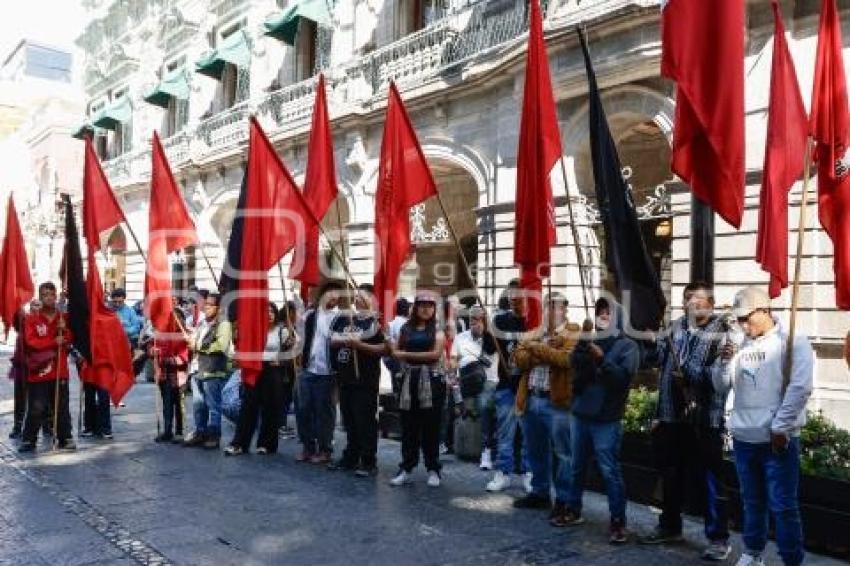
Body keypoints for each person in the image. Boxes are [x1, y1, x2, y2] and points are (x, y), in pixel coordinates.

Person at [637, 281, 734, 560]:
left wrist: (689, 372)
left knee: (709, 480)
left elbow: (720, 380)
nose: (691, 303)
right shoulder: (676, 326)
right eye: (687, 298)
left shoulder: (722, 331)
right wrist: (651, 344)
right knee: (670, 474)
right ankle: (669, 525)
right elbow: (660, 363)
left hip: (704, 419)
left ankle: (718, 537)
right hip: (671, 415)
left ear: (711, 303)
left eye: (697, 299)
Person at [717, 287, 813, 566]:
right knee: (752, 501)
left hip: (776, 440)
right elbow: (722, 385)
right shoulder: (740, 342)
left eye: (747, 318)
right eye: (739, 320)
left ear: (764, 310)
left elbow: (801, 387)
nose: (744, 325)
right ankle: (753, 551)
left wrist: (781, 427)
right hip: (745, 437)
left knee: (783, 506)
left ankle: (791, 559)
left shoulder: (793, 340)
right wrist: (724, 363)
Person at [562, 297, 640, 544]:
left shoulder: (628, 346)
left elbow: (621, 381)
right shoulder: (590, 340)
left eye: (608, 312)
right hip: (580, 413)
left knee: (609, 470)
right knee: (576, 466)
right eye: (600, 311)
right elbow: (574, 366)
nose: (603, 316)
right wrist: (582, 347)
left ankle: (618, 521)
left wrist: (602, 359)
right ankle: (573, 509)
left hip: (606, 417)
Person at [512, 293, 578, 525]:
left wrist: (534, 348)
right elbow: (518, 360)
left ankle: (564, 499)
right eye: (547, 307)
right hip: (530, 398)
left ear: (565, 310)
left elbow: (565, 360)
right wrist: (540, 348)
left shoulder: (573, 332)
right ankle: (539, 492)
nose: (551, 312)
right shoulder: (534, 333)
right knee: (535, 450)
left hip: (557, 402)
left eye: (556, 307)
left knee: (563, 453)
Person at [388, 292, 447, 487]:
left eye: (430, 305)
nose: (426, 309)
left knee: (431, 427)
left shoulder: (438, 329)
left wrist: (406, 354)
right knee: (408, 427)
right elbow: (394, 351)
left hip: (432, 382)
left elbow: (435, 355)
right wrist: (405, 354)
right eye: (422, 305)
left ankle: (433, 469)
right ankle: (406, 467)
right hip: (408, 381)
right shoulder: (406, 328)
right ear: (415, 307)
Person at [328, 284, 387, 476]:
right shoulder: (345, 318)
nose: (357, 300)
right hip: (346, 379)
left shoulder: (375, 322)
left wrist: (358, 344)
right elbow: (332, 340)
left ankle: (368, 461)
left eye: (362, 296)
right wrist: (347, 340)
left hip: (365, 380)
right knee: (350, 422)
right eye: (356, 296)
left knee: (365, 422)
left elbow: (384, 349)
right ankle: (351, 457)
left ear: (371, 298)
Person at [225, 302, 295, 455]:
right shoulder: (254, 330)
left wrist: (283, 358)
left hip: (273, 371)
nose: (269, 314)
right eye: (266, 311)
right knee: (248, 407)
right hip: (255, 369)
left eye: (272, 311)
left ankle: (266, 444)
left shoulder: (282, 331)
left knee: (270, 408)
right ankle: (240, 443)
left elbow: (292, 354)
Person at [18, 282, 75, 453]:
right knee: (37, 407)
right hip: (39, 371)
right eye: (44, 295)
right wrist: (53, 342)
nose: (48, 297)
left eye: (51, 294)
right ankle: (29, 439)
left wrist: (65, 333)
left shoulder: (63, 318)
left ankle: (65, 438)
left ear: (56, 296)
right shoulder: (32, 319)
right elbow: (31, 342)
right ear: (40, 297)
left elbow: (70, 339)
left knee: (62, 406)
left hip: (60, 370)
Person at [487, 280, 532, 492]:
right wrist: (489, 330)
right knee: (505, 432)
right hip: (506, 384)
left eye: (520, 296)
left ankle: (527, 473)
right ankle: (503, 472)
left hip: (529, 386)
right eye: (512, 296)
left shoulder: (534, 322)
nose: (516, 300)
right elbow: (488, 349)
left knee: (528, 432)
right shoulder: (500, 321)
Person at [296, 280, 343, 464]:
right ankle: (308, 446)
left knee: (325, 412)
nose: (333, 298)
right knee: (303, 409)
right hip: (308, 368)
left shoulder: (341, 317)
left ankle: (325, 449)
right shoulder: (310, 315)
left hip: (329, 371)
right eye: (330, 293)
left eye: (337, 295)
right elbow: (301, 338)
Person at [450, 306, 498, 471]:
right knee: (451, 397)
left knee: (484, 405)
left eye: (479, 319)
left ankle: (486, 449)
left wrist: (486, 334)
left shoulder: (492, 338)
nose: (475, 323)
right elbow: (453, 361)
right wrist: (454, 368)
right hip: (466, 379)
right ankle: (448, 443)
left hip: (488, 381)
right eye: (472, 319)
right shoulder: (461, 338)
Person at [185, 293, 232, 449]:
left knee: (213, 406)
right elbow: (196, 341)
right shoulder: (202, 323)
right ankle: (200, 431)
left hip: (213, 371)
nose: (206, 307)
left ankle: (214, 435)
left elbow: (221, 346)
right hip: (197, 368)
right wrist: (192, 340)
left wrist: (198, 346)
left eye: (210, 305)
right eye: (205, 304)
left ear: (218, 308)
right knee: (198, 405)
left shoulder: (223, 324)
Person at [152, 308, 190, 443]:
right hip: (164, 375)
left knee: (179, 405)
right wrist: (153, 352)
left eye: (177, 318)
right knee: (167, 404)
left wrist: (168, 360)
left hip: (179, 376)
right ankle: (167, 430)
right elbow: (154, 349)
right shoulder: (162, 335)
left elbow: (184, 356)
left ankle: (179, 431)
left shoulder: (184, 335)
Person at [8, 310, 26, 439]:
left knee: (41, 399)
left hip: (36, 367)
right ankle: (18, 425)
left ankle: (47, 424)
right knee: (20, 398)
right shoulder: (22, 327)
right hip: (21, 368)